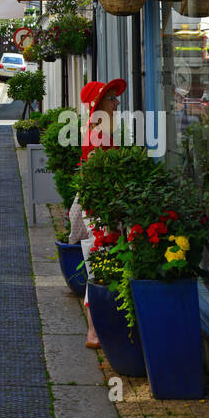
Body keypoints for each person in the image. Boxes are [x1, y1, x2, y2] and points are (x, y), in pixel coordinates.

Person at [71, 78, 127, 345]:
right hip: (98, 210)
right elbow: (95, 175)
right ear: (100, 103)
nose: (117, 102)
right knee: (98, 263)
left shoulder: (98, 130)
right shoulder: (98, 134)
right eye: (112, 98)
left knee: (98, 261)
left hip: (99, 208)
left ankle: (95, 328)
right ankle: (93, 330)